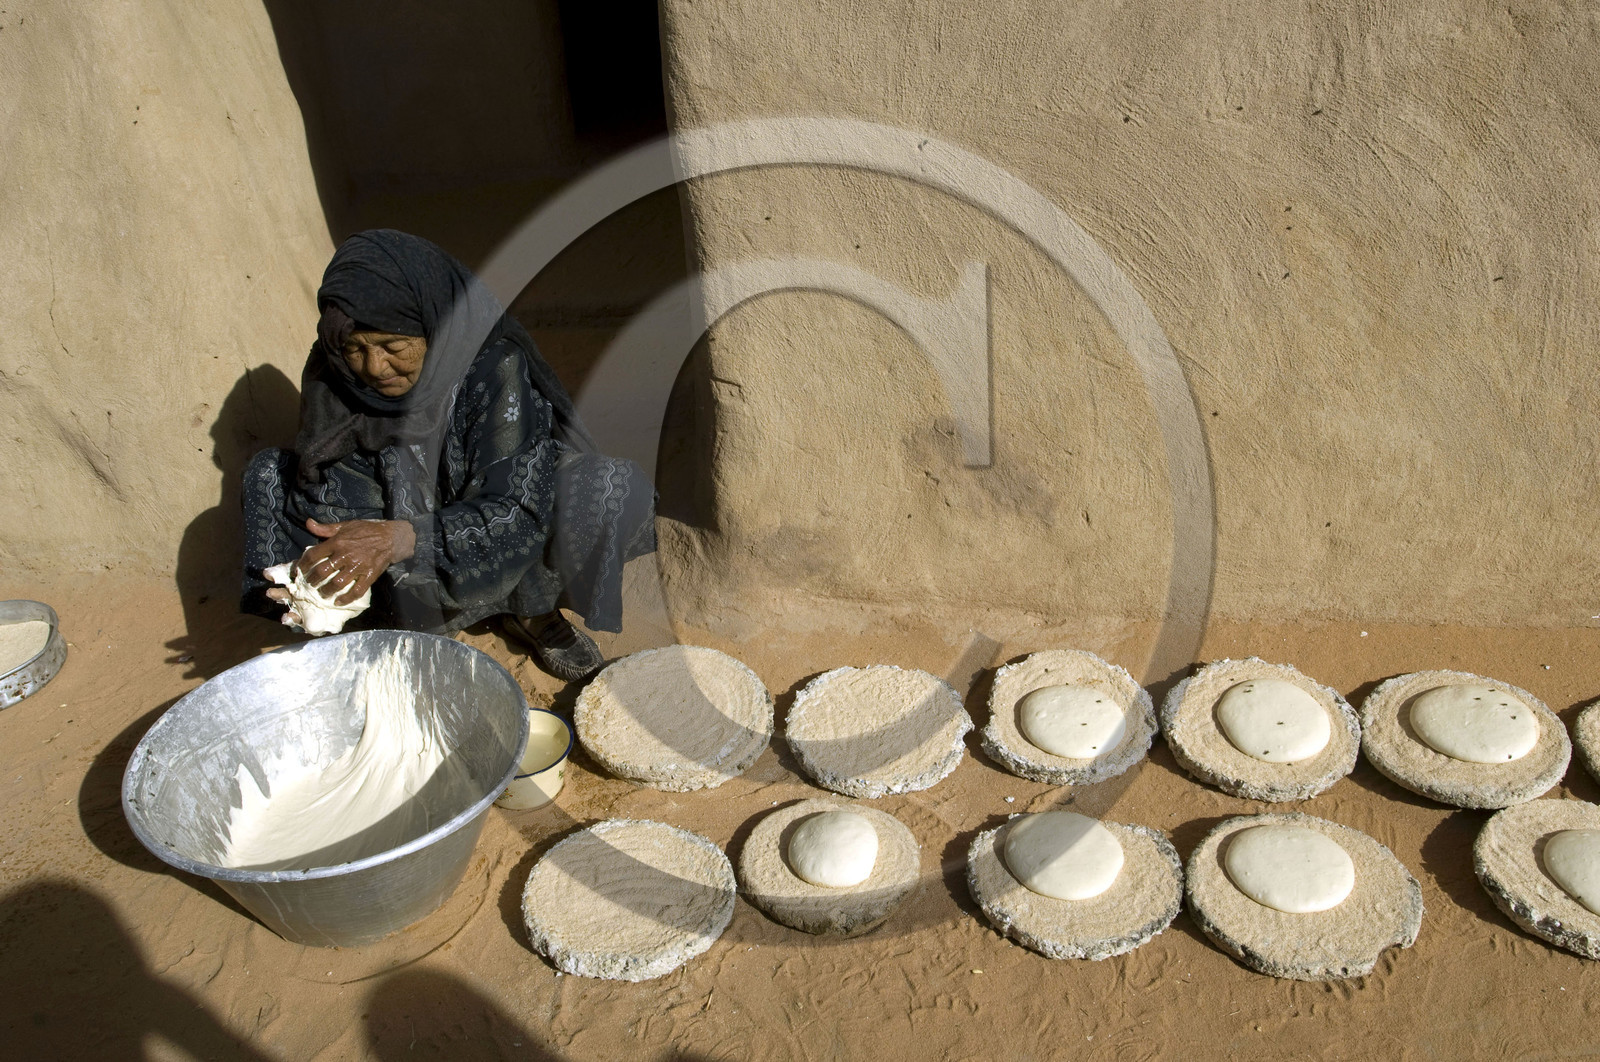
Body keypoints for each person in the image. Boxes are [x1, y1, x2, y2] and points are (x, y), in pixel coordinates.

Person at [241, 229, 655, 681]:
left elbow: (515, 507)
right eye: (356, 350)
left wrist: (403, 538)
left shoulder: (492, 365)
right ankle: (411, 628)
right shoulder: (332, 371)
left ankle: (532, 611)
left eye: (393, 347)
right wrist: (326, 570)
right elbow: (328, 485)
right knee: (268, 476)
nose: (374, 368)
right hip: (393, 518)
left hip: (488, 517)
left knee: (605, 488)